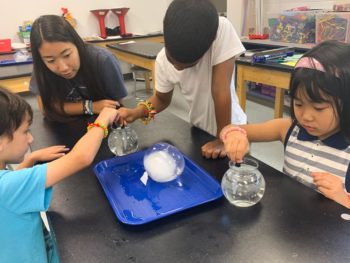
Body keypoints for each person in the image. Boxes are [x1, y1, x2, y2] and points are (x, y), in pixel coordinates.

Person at [220, 40, 350, 208]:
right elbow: (230, 129)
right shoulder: (288, 129)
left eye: (318, 108)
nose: (306, 117)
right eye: (298, 104)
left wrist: (343, 199)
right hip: (288, 225)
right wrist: (234, 136)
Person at [0, 86, 119, 262]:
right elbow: (81, 158)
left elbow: (10, 189)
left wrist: (31, 158)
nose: (31, 139)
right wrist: (102, 120)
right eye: (25, 131)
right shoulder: (7, 187)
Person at [119, 0, 247, 159]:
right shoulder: (161, 60)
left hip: (233, 130)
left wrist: (224, 137)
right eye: (172, 61)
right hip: (199, 129)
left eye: (188, 66)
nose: (178, 68)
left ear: (211, 40)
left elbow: (220, 90)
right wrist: (137, 112)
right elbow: (161, 99)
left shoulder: (220, 29)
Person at [29, 15, 127, 121]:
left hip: (103, 123)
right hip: (63, 127)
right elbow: (45, 108)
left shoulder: (103, 60)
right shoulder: (41, 67)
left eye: (66, 55)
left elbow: (116, 106)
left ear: (77, 43)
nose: (63, 68)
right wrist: (90, 107)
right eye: (50, 61)